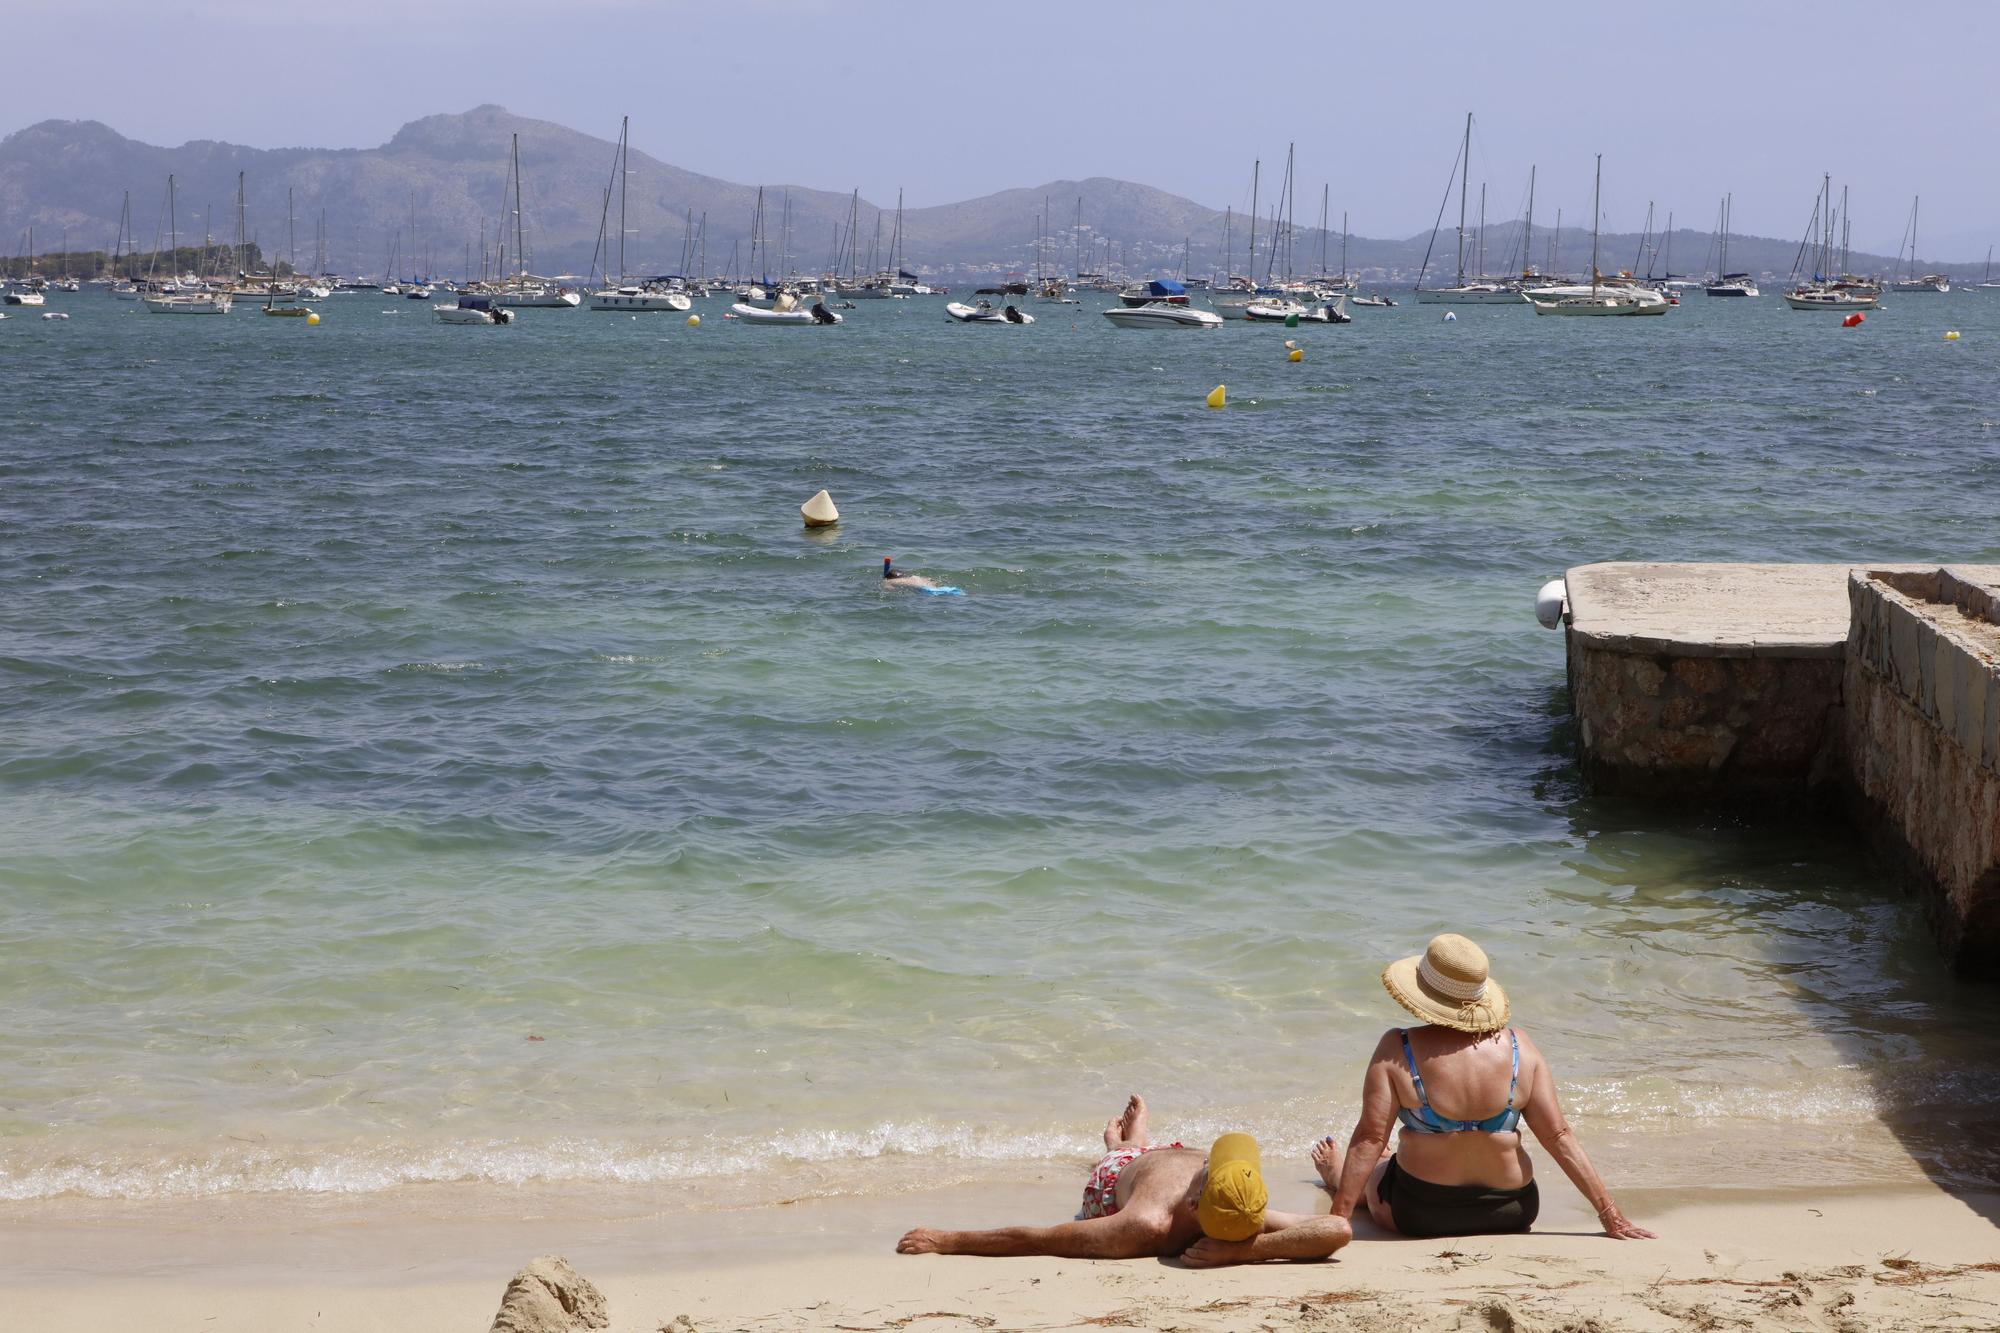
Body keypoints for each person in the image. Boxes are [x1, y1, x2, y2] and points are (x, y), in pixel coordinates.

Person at [1312, 934, 1654, 1241]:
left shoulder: (1397, 1047)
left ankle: (1337, 1177)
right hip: (1513, 1209)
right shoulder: (1521, 1048)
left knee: (1377, 1169)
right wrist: (1610, 1214)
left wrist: (1337, 1220)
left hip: (1420, 1211)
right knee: (1387, 1160)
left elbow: (1370, 1138)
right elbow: (1558, 1135)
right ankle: (1378, 1165)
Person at [897, 1095, 1350, 1267]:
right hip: (1168, 1159)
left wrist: (947, 1239)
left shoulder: (1143, 1224)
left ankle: (1122, 1144)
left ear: (1195, 1201)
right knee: (1153, 1153)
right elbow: (1338, 1229)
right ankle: (1139, 1140)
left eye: (1211, 1167)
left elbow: (1039, 1239)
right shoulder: (1243, 1212)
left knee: (1119, 1159)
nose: (1210, 1161)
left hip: (1126, 1178)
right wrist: (1247, 1249)